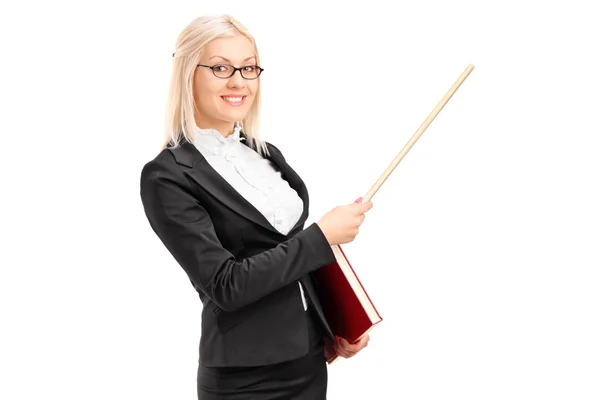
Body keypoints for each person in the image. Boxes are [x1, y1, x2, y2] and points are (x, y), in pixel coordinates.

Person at [139, 14, 374, 399]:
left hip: (309, 359)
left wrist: (333, 322)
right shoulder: (166, 176)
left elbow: (287, 253)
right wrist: (322, 236)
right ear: (187, 74)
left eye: (248, 68)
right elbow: (226, 285)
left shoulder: (263, 153)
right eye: (220, 68)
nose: (238, 81)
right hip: (245, 381)